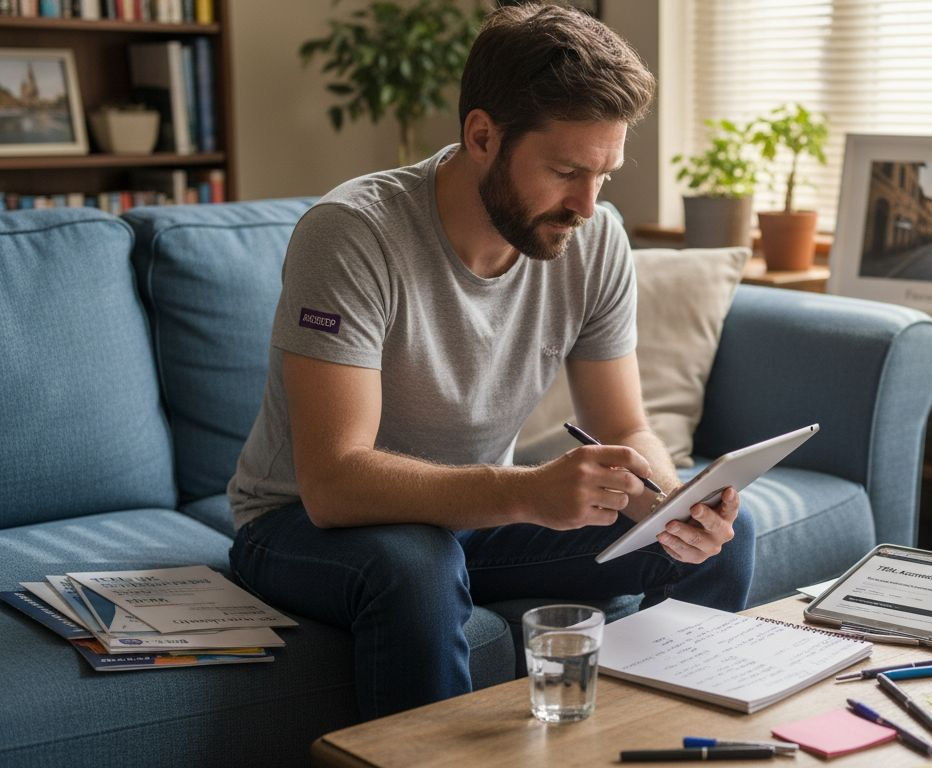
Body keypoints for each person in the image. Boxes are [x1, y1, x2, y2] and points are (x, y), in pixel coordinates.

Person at [225, 3, 755, 720]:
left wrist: (669, 505)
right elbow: (333, 481)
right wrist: (526, 492)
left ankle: (644, 742)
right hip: (302, 528)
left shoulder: (593, 240)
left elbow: (624, 423)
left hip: (467, 526)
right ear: (482, 135)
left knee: (721, 539)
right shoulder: (353, 234)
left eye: (605, 173)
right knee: (416, 564)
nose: (588, 205)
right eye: (567, 170)